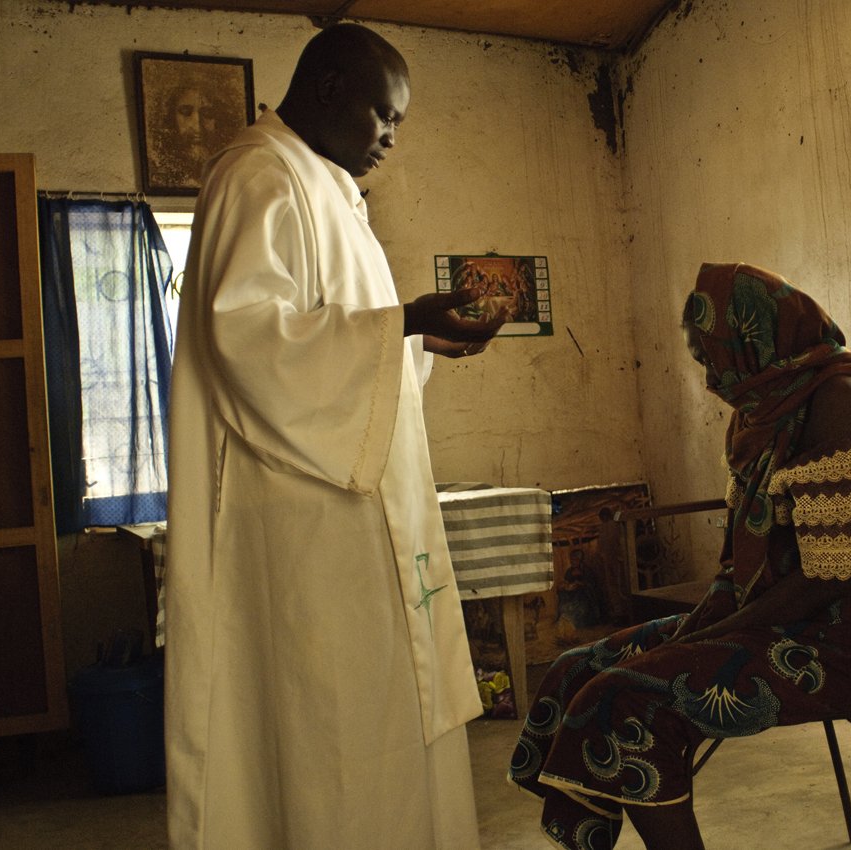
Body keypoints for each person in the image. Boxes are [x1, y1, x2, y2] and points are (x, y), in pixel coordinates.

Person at [166, 23, 503, 850]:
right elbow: (247, 336)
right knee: (332, 728)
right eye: (383, 114)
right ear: (324, 91)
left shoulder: (327, 184)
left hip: (364, 512)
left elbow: (348, 335)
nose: (392, 135)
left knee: (385, 715)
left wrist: (423, 339)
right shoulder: (259, 175)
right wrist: (402, 324)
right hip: (306, 524)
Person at [508, 262, 851, 850]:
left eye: (714, 357)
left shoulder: (840, 403)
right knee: (574, 669)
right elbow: (742, 558)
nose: (710, 378)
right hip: (765, 621)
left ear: (755, 340)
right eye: (701, 360)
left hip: (833, 644)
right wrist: (705, 621)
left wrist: (715, 630)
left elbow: (829, 579)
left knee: (623, 697)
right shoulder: (761, 410)